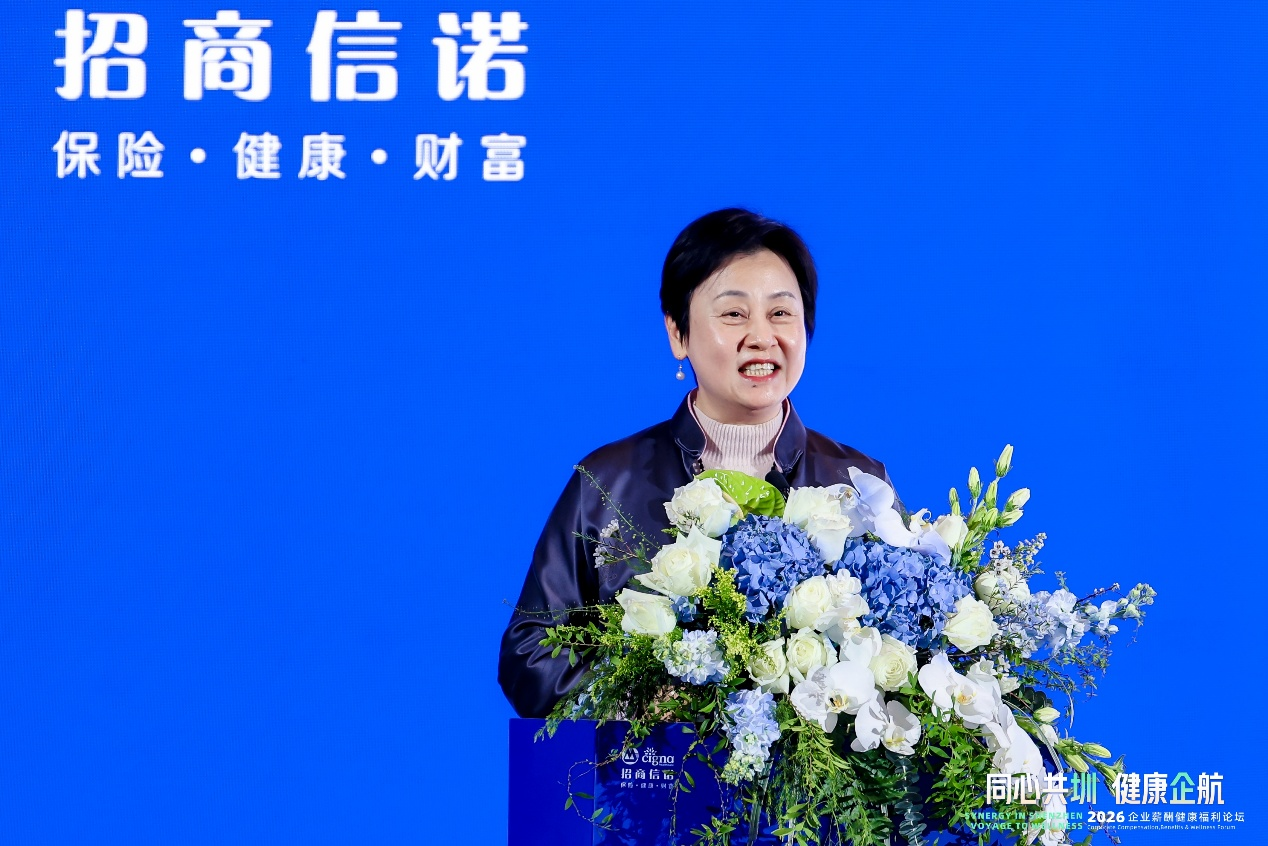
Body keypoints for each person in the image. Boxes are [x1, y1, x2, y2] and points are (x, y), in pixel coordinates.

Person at [498, 208, 900, 719]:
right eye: (733, 314)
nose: (762, 336)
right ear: (678, 333)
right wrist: (640, 698)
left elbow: (906, 649)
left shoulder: (858, 484)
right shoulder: (607, 484)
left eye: (781, 312)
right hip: (652, 767)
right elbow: (529, 654)